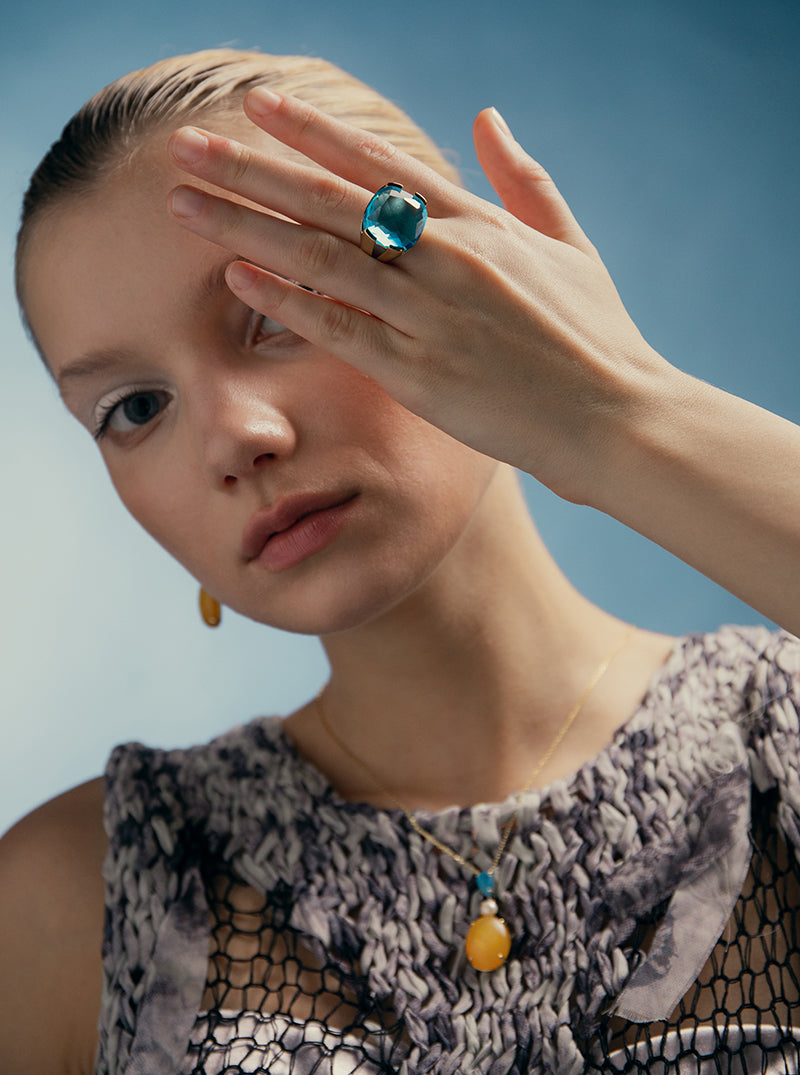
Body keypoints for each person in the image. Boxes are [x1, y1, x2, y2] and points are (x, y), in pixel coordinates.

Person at [2, 46, 799, 1075]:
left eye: (279, 304)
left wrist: (617, 411)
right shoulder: (75, 899)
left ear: (480, 287)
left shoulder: (776, 742)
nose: (232, 436)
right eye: (134, 408)